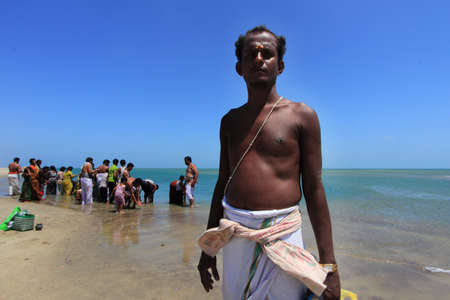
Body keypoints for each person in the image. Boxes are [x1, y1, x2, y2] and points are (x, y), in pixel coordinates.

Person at [197, 26, 340, 300]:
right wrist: (209, 250)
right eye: (252, 54)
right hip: (236, 235)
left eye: (267, 54)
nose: (259, 59)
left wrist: (329, 265)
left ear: (281, 65)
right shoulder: (229, 121)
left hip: (283, 236)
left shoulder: (302, 116)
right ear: (239, 67)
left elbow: (314, 189)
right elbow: (222, 183)